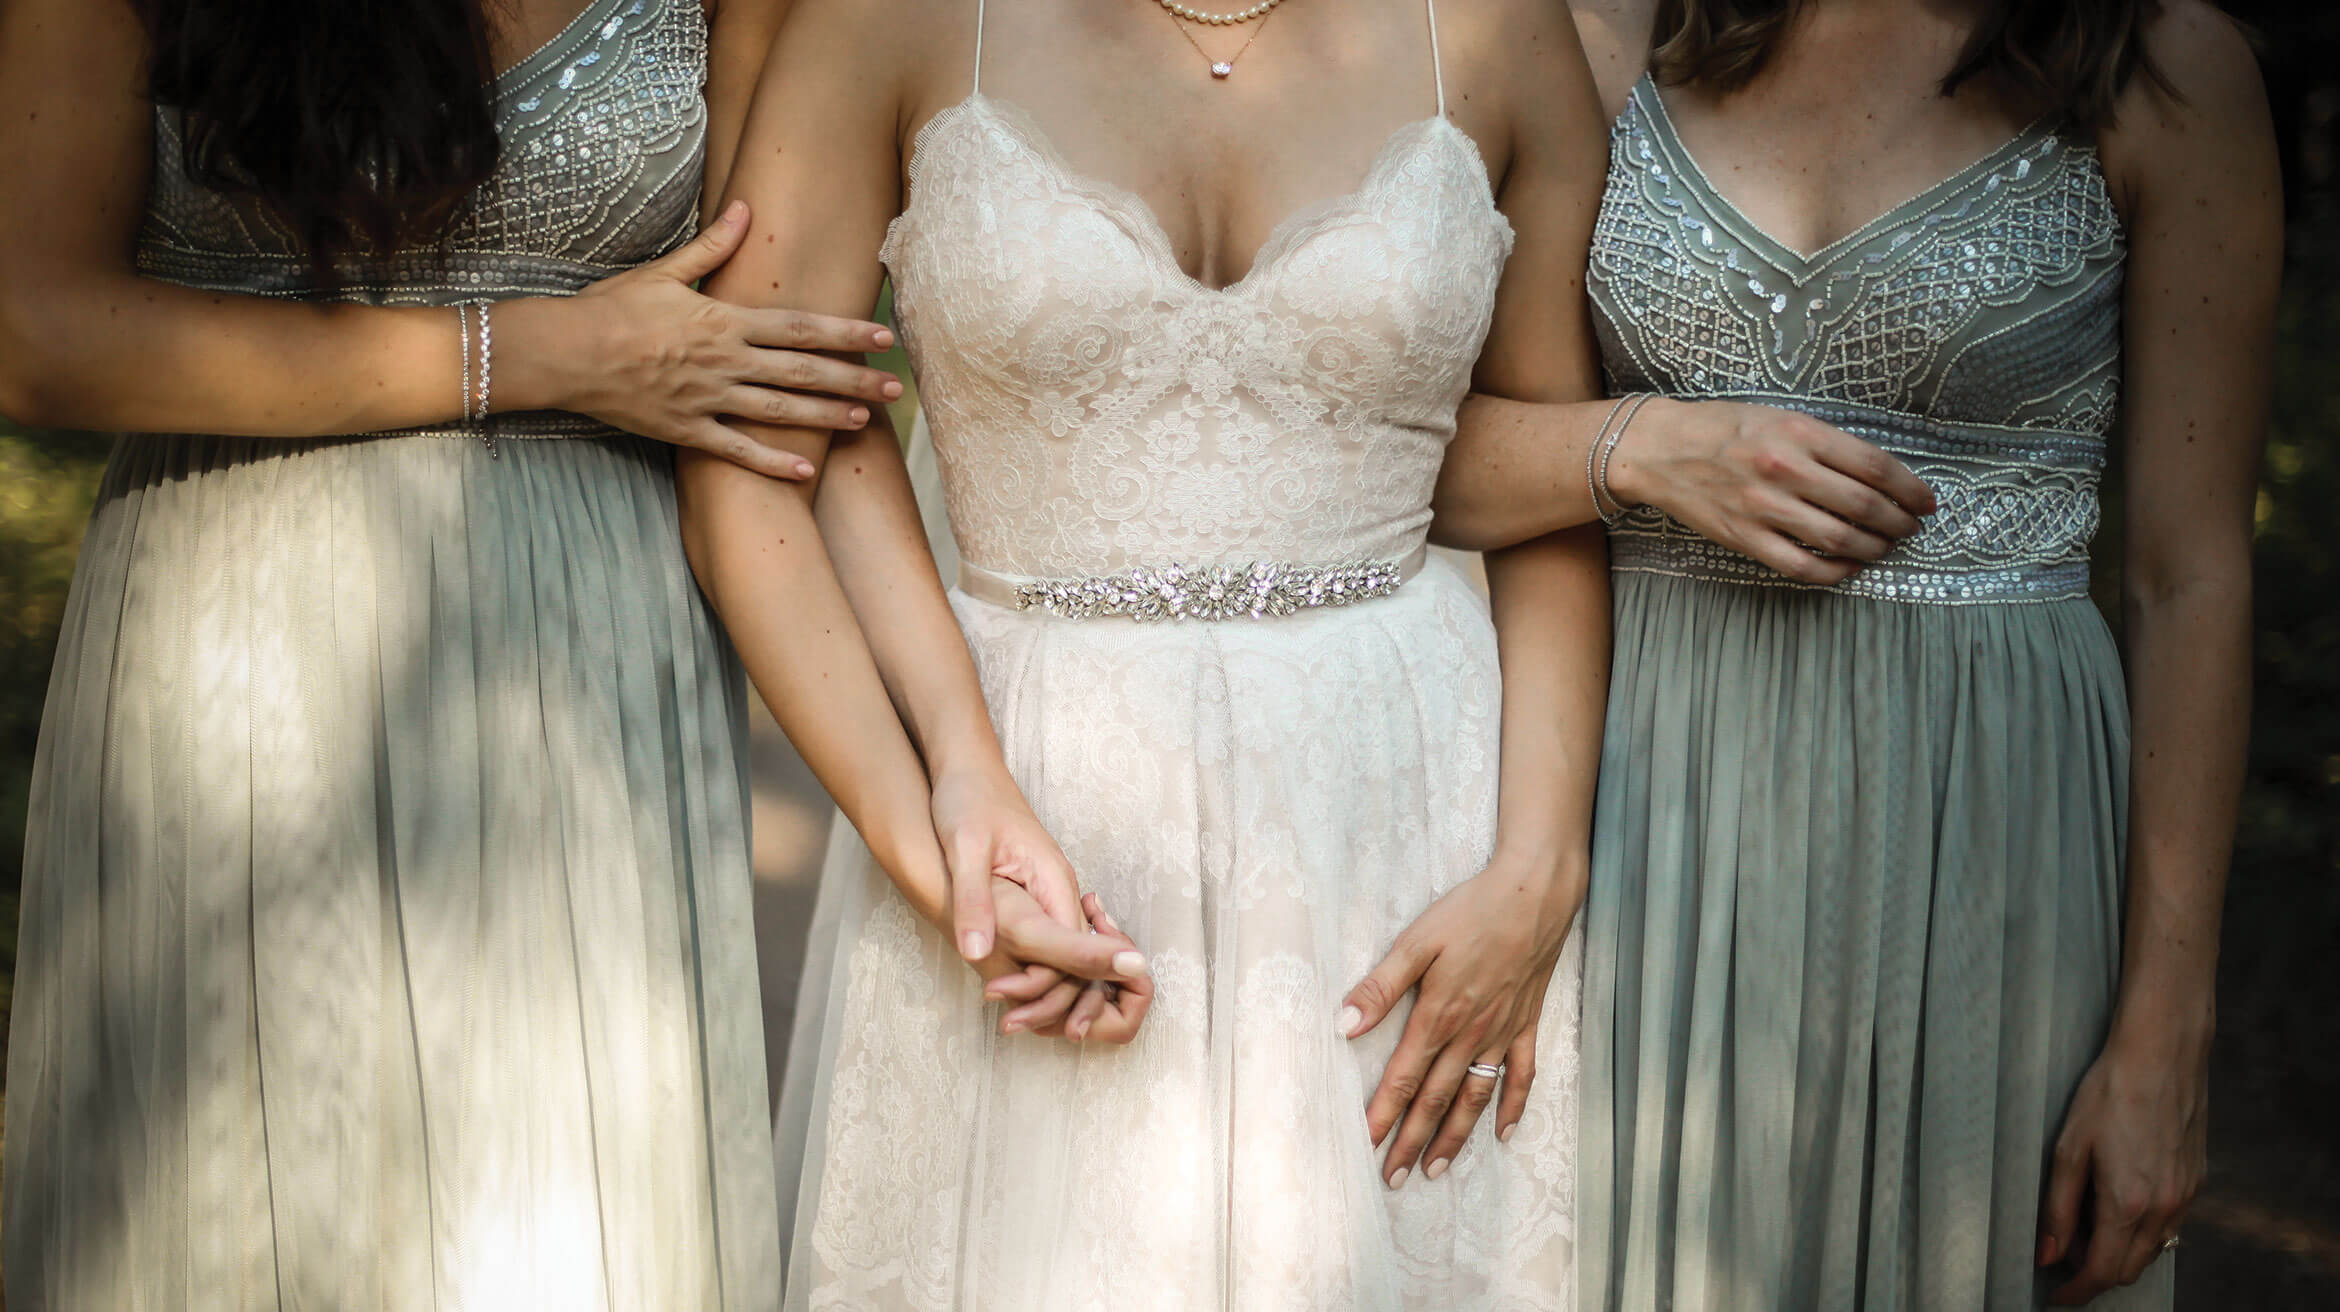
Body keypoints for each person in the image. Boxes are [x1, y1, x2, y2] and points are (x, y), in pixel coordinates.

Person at [674, 0, 1621, 1303]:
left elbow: (1554, 474)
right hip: (1036, 811)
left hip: (1410, 833)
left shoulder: (1497, 28)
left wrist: (1537, 865)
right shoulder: (888, 18)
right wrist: (940, 819)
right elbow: (755, 444)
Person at [0, 0, 908, 1304]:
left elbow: (783, 373)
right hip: (233, 664)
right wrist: (519, 353)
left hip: (594, 661)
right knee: (241, 1206)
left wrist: (948, 785)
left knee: (556, 1222)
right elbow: (39, 334)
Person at [1439, 0, 2280, 1306]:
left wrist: (2169, 1029)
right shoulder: (1603, 39)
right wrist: (1643, 448)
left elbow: (2192, 576)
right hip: (1651, 806)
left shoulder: (2161, 66)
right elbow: (1408, 470)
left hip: (1989, 835)